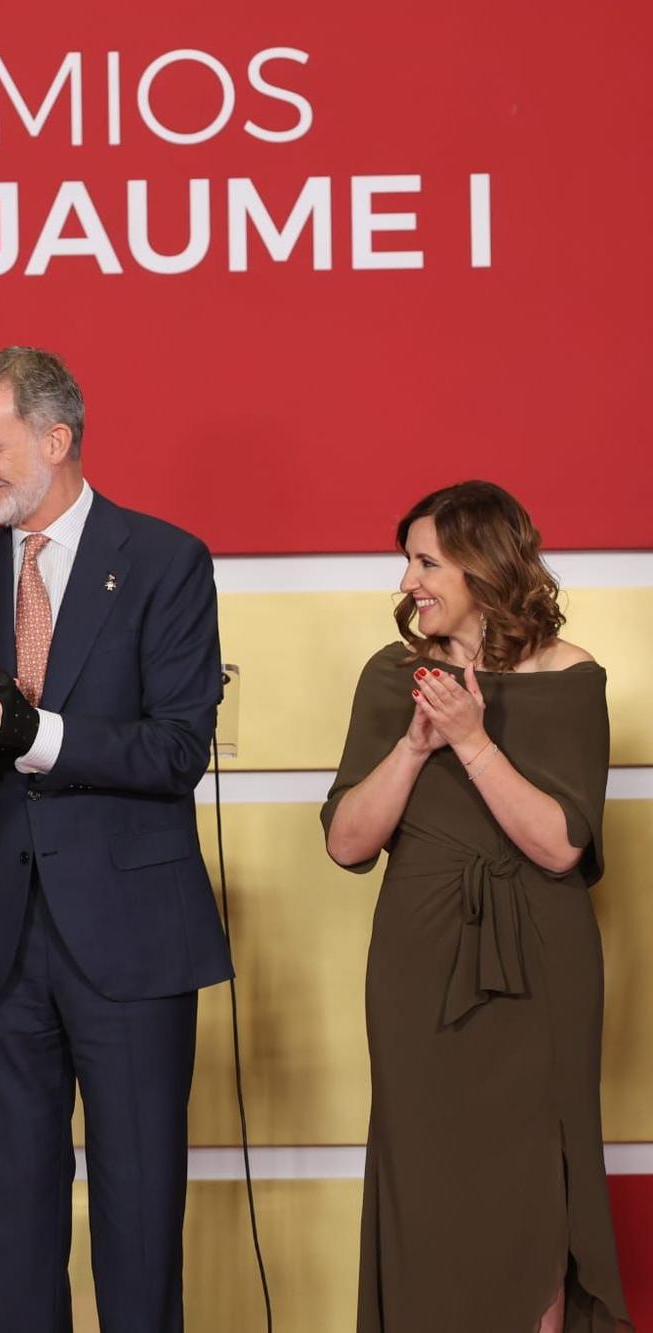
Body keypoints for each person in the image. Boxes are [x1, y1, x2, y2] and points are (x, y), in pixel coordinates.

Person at [0, 347, 231, 1330]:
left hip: (130, 944)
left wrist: (27, 734)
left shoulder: (164, 560)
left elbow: (174, 749)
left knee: (137, 1218)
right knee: (12, 1223)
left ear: (54, 438)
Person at [321, 480, 629, 1332]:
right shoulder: (394, 676)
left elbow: (561, 843)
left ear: (483, 567)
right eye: (408, 562)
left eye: (426, 561)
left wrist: (472, 738)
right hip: (418, 978)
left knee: (535, 1196)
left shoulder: (574, 680)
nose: (409, 580)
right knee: (427, 1191)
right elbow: (347, 842)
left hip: (541, 975)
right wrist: (417, 748)